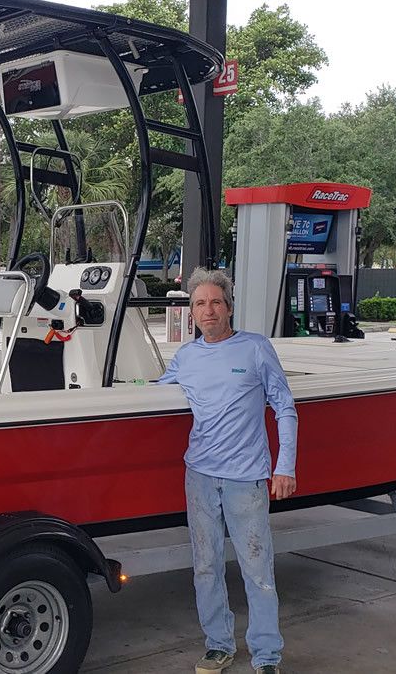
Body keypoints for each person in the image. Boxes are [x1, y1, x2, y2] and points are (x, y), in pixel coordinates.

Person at [158, 268, 297, 674]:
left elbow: (284, 407)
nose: (208, 310)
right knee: (205, 565)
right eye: (199, 303)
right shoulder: (185, 357)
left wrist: (284, 466)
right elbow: (152, 392)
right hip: (199, 476)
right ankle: (218, 645)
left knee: (257, 569)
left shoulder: (255, 349)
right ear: (191, 311)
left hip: (247, 478)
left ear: (229, 307)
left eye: (215, 301)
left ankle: (267, 655)